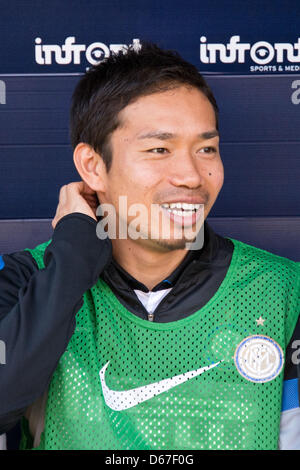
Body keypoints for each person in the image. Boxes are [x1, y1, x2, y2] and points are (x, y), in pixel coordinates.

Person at [0, 43, 299, 451]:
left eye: (206, 148)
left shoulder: (286, 291)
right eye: (159, 149)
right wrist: (71, 258)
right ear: (92, 166)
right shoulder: (21, 279)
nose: (192, 176)